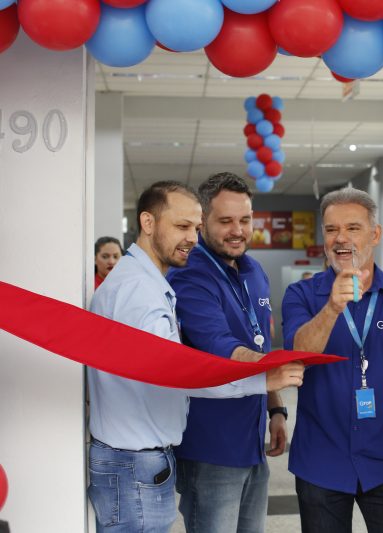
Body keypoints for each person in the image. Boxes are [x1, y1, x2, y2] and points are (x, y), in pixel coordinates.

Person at [87, 181, 305, 533]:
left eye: (195, 227)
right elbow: (181, 374)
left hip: (141, 460)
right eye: (182, 226)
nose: (191, 237)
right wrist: (262, 379)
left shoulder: (149, 283)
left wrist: (271, 400)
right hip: (135, 461)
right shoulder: (138, 292)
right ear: (147, 222)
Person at [282, 186, 383, 533]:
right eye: (331, 229)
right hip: (320, 459)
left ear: (375, 234)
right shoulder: (302, 296)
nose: (341, 238)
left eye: (352, 228)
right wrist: (332, 308)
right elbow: (297, 353)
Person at [165, 173, 287, 533]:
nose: (238, 230)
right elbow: (220, 347)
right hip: (210, 449)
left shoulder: (253, 270)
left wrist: (275, 407)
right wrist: (273, 372)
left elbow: (259, 341)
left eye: (245, 220)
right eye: (225, 221)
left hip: (252, 443)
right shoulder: (189, 275)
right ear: (203, 222)